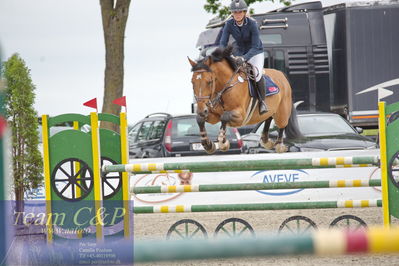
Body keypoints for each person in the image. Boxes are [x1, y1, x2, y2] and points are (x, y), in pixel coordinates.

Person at [219, 0, 268, 114]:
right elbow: (223, 42)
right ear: (232, 13)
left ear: (244, 12)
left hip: (256, 52)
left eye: (240, 12)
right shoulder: (229, 24)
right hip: (240, 52)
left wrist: (244, 58)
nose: (237, 14)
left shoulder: (252, 24)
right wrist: (221, 53)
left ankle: (262, 102)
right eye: (235, 12)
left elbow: (255, 46)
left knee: (256, 74)